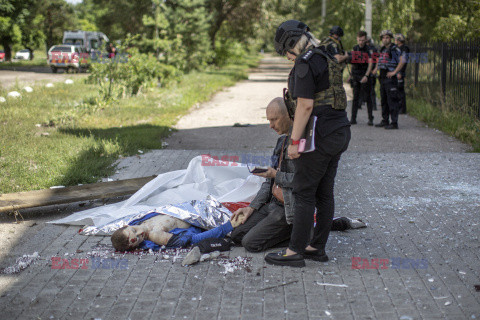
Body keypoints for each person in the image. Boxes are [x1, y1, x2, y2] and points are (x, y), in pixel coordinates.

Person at [267, 20, 351, 267]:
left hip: (319, 136)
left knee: (304, 192)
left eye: (286, 52)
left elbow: (305, 105)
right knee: (324, 192)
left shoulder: (304, 63)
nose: (287, 57)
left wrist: (294, 142)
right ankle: (317, 248)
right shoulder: (325, 55)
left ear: (292, 44)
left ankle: (295, 252)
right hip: (340, 131)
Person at [230, 97, 294, 252]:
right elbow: (268, 183)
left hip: (287, 208)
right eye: (269, 120)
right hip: (273, 203)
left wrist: (275, 174)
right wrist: (251, 208)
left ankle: (298, 235)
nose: (271, 125)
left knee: (250, 243)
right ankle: (276, 231)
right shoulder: (281, 142)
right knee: (236, 236)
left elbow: (303, 181)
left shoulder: (300, 144)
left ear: (288, 116)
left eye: (275, 120)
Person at [111, 211, 244, 251]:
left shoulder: (138, 220)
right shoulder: (156, 235)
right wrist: (228, 226)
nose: (140, 233)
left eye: (134, 230)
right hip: (204, 216)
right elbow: (194, 240)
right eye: (137, 239)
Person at [373, 30, 405, 129]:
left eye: (387, 37)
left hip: (390, 77)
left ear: (390, 38)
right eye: (383, 37)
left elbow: (402, 60)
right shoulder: (382, 49)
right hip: (382, 77)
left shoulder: (394, 49)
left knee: (392, 100)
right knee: (384, 100)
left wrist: (395, 72)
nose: (385, 39)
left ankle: (394, 123)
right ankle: (385, 120)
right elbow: (379, 60)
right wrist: (375, 69)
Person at [347, 31, 374, 125]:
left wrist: (366, 76)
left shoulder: (368, 50)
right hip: (356, 75)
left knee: (368, 98)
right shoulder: (355, 48)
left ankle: (371, 119)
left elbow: (370, 64)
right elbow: (353, 62)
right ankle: (353, 118)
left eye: (362, 40)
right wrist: (350, 75)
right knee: (355, 98)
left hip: (365, 75)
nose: (361, 42)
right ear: (357, 39)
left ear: (365, 39)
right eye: (359, 40)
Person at [395, 33, 409, 114]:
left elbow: (403, 62)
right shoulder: (398, 48)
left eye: (396, 39)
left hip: (400, 72)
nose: (395, 41)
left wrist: (400, 72)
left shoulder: (404, 49)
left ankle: (402, 109)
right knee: (397, 90)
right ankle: (398, 107)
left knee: (400, 90)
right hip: (397, 71)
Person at [366, 37, 378, 111]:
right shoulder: (363, 49)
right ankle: (361, 103)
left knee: (372, 89)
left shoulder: (374, 49)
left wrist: (375, 69)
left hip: (372, 71)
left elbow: (377, 60)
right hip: (364, 71)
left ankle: (374, 105)